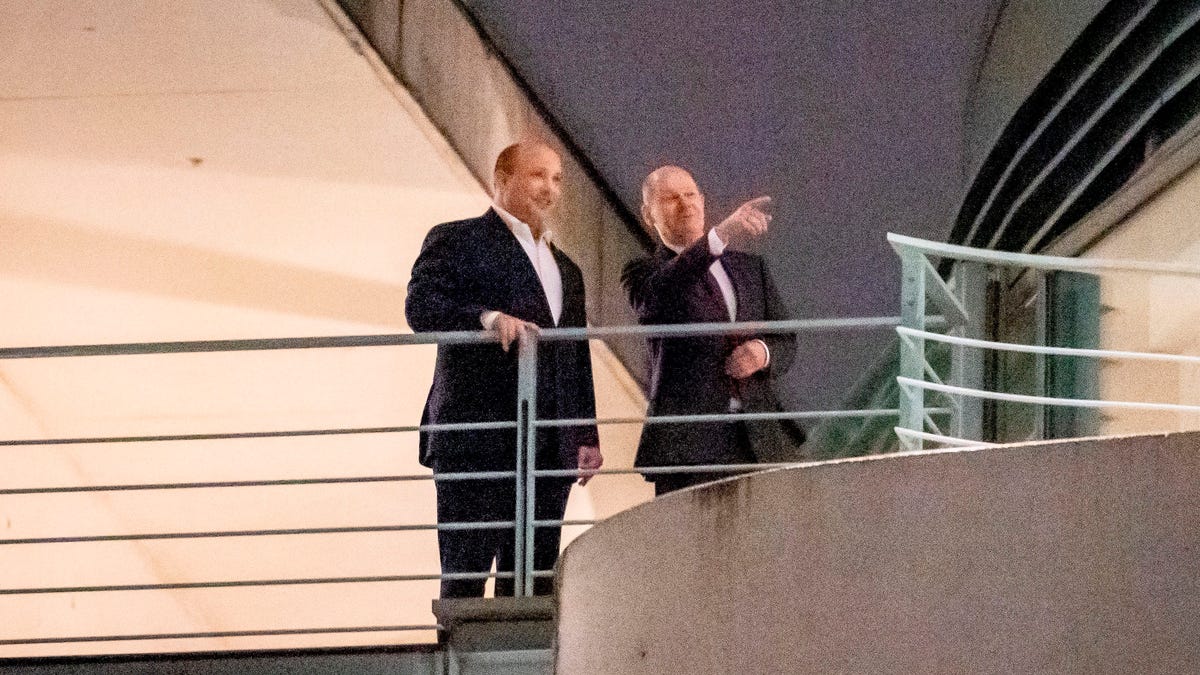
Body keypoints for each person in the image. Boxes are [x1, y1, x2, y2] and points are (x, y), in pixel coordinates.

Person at [406, 140, 602, 597]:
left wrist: (586, 433)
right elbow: (421, 307)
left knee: (533, 580)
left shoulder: (566, 269)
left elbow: (576, 355)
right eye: (537, 175)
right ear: (502, 180)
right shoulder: (456, 239)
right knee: (467, 576)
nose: (549, 188)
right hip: (476, 438)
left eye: (556, 178)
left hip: (549, 445)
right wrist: (487, 319)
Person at [621, 165, 805, 496]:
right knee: (690, 547)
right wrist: (719, 236)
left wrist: (761, 353)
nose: (685, 203)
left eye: (691, 194)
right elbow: (660, 295)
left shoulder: (751, 269)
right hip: (688, 447)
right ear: (649, 216)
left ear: (703, 202)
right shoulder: (644, 272)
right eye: (671, 198)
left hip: (756, 441)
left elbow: (785, 338)